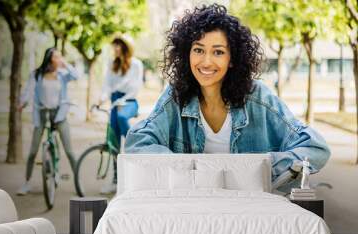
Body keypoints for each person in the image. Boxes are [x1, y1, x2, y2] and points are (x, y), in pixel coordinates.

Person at [124, 4, 330, 189]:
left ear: (232, 59)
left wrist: (259, 168)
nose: (206, 62)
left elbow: (315, 148)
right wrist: (187, 169)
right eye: (198, 50)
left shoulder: (258, 97)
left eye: (218, 52)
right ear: (187, 54)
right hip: (193, 210)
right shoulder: (176, 96)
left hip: (252, 212)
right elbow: (137, 143)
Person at [17, 47, 78, 195]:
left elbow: (76, 76)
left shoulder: (63, 75)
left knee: (69, 151)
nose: (60, 59)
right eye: (57, 57)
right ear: (50, 59)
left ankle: (78, 182)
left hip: (59, 114)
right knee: (33, 151)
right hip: (42, 114)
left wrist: (66, 64)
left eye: (60, 57)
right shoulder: (37, 75)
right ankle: (27, 183)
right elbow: (28, 91)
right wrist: (22, 103)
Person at [98, 35, 143, 194]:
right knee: (114, 143)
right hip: (114, 101)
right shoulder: (112, 64)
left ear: (125, 47)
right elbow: (107, 85)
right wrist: (101, 99)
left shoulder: (136, 64)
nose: (115, 48)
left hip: (129, 101)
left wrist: (122, 100)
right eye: (114, 45)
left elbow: (135, 88)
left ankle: (134, 144)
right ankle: (116, 181)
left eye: (118, 45)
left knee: (122, 117)